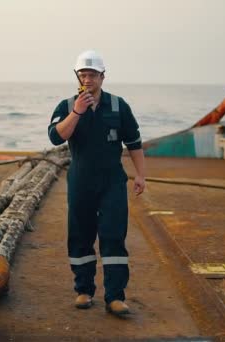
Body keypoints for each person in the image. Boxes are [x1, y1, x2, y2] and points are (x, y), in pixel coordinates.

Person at [47, 50, 146, 316]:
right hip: (80, 182)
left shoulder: (118, 105)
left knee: (114, 236)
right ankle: (84, 290)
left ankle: (115, 297)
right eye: (83, 74)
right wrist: (78, 111)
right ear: (77, 76)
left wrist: (140, 174)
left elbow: (134, 142)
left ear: (103, 76)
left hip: (112, 182)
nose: (88, 79)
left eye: (92, 74)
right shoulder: (66, 106)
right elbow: (56, 137)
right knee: (80, 236)